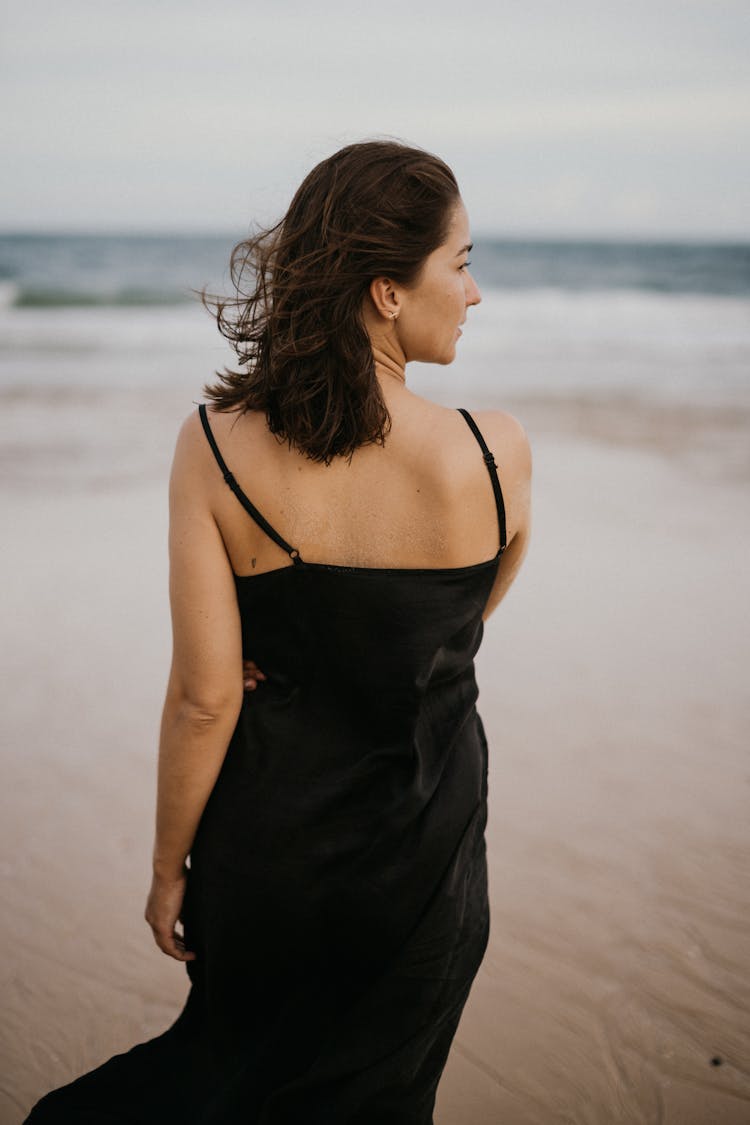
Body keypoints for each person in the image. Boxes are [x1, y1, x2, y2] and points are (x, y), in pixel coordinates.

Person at [25, 140, 531, 1124]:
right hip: (420, 866)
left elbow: (206, 696)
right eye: (462, 263)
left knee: (226, 1080)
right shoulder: (491, 450)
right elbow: (463, 619)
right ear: (387, 291)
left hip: (265, 857)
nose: (475, 294)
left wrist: (169, 866)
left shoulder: (214, 443)